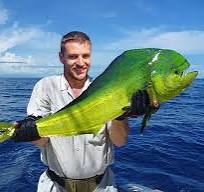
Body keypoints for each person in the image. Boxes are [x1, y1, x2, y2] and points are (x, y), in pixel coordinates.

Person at [11, 31, 151, 192]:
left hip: (102, 186)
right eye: (73, 56)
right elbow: (42, 142)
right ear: (61, 57)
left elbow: (119, 141)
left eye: (85, 56)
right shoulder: (45, 86)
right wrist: (30, 132)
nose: (81, 62)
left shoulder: (106, 90)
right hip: (56, 187)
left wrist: (121, 116)